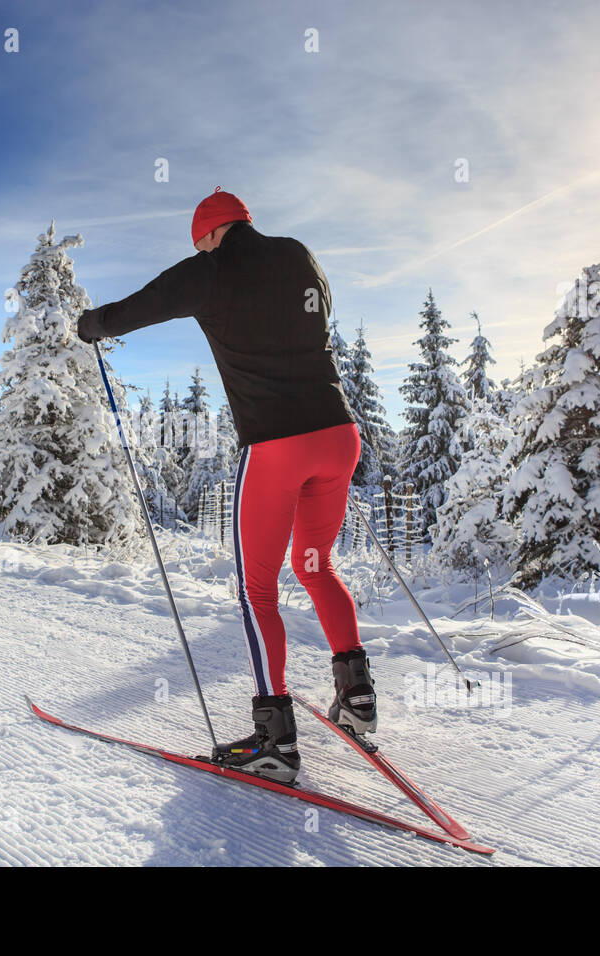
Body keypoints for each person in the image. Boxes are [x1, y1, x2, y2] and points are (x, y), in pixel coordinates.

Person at [77, 187, 377, 784]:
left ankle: (275, 742)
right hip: (339, 437)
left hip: (277, 446)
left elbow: (144, 304)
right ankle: (358, 697)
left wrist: (93, 325)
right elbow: (317, 315)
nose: (200, 248)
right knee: (316, 565)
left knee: (257, 589)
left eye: (199, 240)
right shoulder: (297, 253)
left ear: (212, 235)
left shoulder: (209, 272)